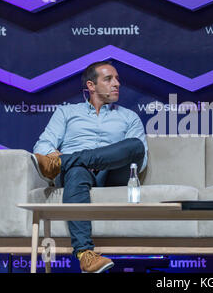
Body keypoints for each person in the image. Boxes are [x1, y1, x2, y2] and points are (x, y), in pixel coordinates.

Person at [31, 61, 148, 273]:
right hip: (78, 176)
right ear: (91, 85)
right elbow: (42, 146)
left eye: (117, 79)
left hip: (111, 174)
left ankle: (64, 162)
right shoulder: (66, 113)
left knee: (136, 146)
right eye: (109, 79)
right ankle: (85, 255)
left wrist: (65, 159)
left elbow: (140, 157)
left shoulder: (129, 117)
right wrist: (72, 160)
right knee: (77, 171)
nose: (117, 84)